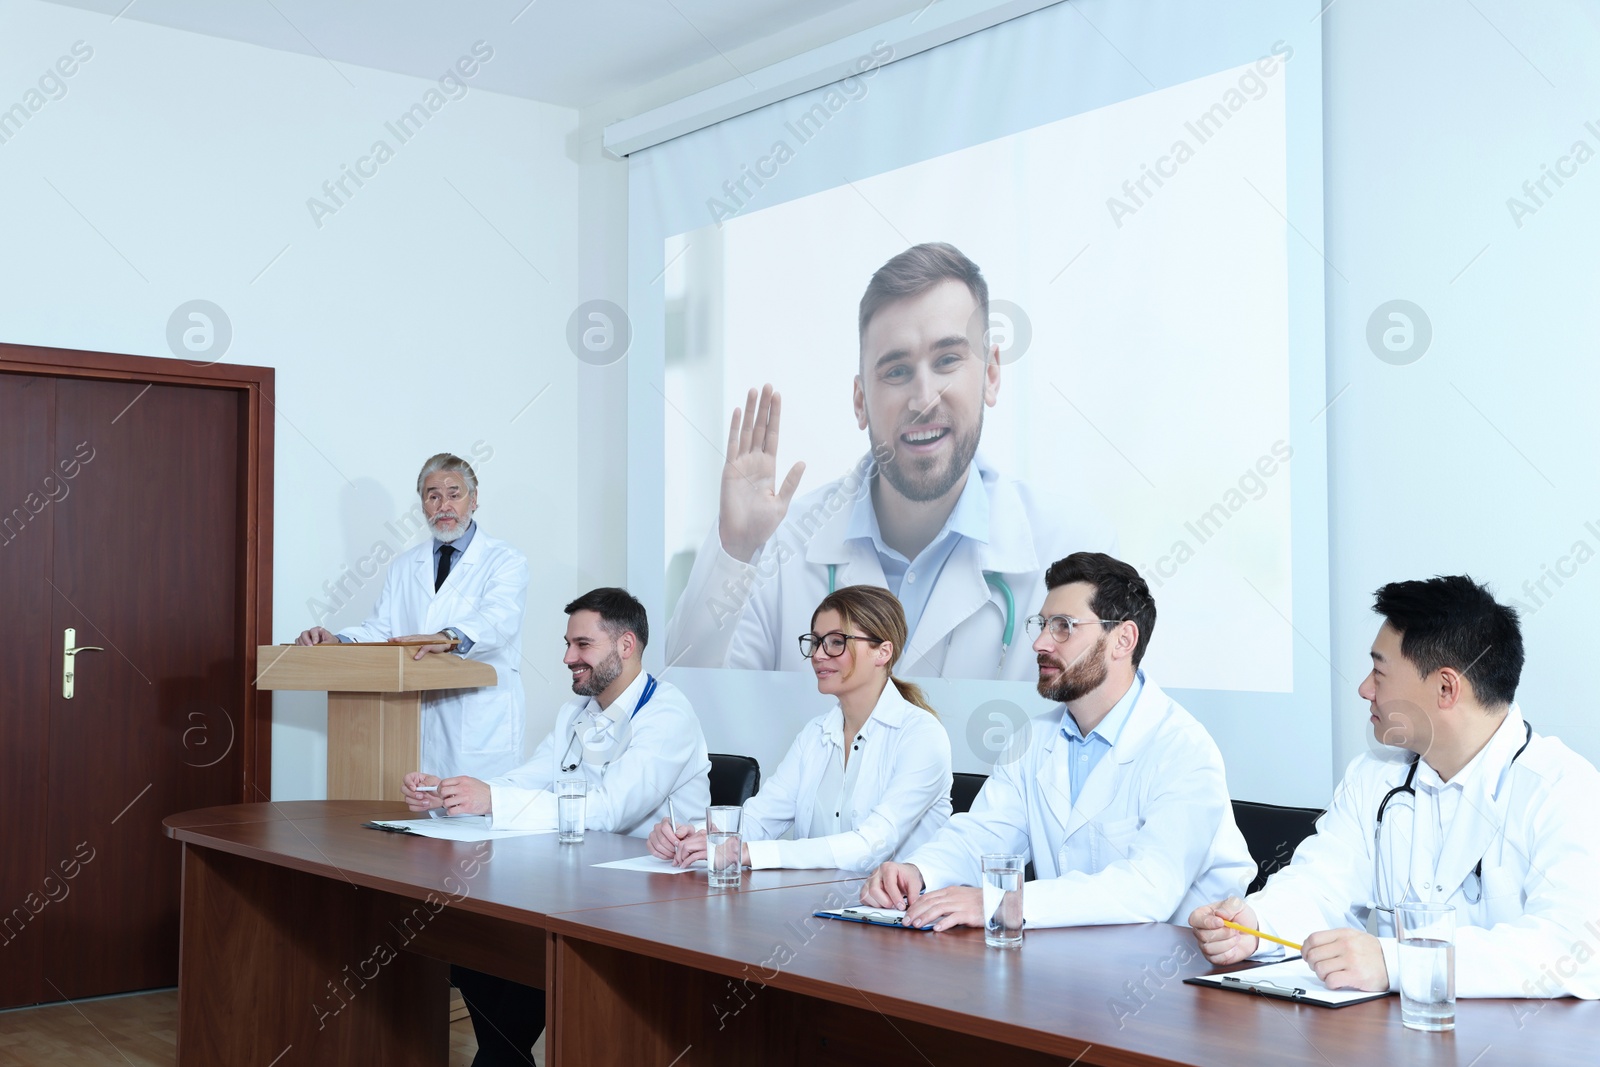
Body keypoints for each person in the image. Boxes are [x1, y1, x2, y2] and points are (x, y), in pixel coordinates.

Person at [665, 242, 1115, 680]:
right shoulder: (782, 548)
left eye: (947, 360)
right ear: (860, 400)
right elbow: (690, 710)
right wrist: (736, 551)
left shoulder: (1069, 550)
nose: (923, 399)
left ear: (991, 375)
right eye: (896, 371)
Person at [1190, 576, 1600, 998]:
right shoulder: (1375, 774)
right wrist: (1255, 925)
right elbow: (1321, 883)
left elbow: (1578, 949)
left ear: (1445, 688)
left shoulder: (1564, 789)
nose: (1365, 689)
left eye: (1379, 671)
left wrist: (1397, 962)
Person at [402, 587, 711, 1067]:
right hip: (576, 884)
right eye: (568, 644)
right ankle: (503, 1056)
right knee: (474, 942)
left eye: (582, 645)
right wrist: (454, 793)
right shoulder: (577, 712)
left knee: (514, 958)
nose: (568, 657)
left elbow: (611, 810)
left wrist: (495, 800)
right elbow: (527, 778)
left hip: (648, 900)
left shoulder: (667, 715)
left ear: (625, 646)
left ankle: (501, 1057)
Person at [861, 552, 1253, 929]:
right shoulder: (1032, 737)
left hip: (1175, 971)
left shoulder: (1183, 749)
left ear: (1123, 639)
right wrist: (919, 870)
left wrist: (1003, 902)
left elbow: (1149, 888)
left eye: (1063, 626)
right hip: (1069, 958)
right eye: (1042, 624)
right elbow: (985, 835)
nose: (1040, 644)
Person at [647, 585, 952, 873]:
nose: (818, 655)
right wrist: (692, 833)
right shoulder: (814, 735)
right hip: (818, 908)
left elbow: (872, 845)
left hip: (903, 919)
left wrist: (748, 853)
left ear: (883, 652)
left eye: (836, 642)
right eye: (817, 641)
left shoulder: (921, 736)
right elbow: (760, 819)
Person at [297, 452, 527, 780]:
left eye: (454, 494)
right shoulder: (405, 565)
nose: (443, 505)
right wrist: (337, 640)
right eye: (433, 496)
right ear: (422, 506)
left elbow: (499, 620)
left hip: (479, 720)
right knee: (419, 818)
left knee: (476, 822)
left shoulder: (505, 561)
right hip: (413, 723)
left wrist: (448, 638)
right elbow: (383, 629)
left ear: (474, 500)